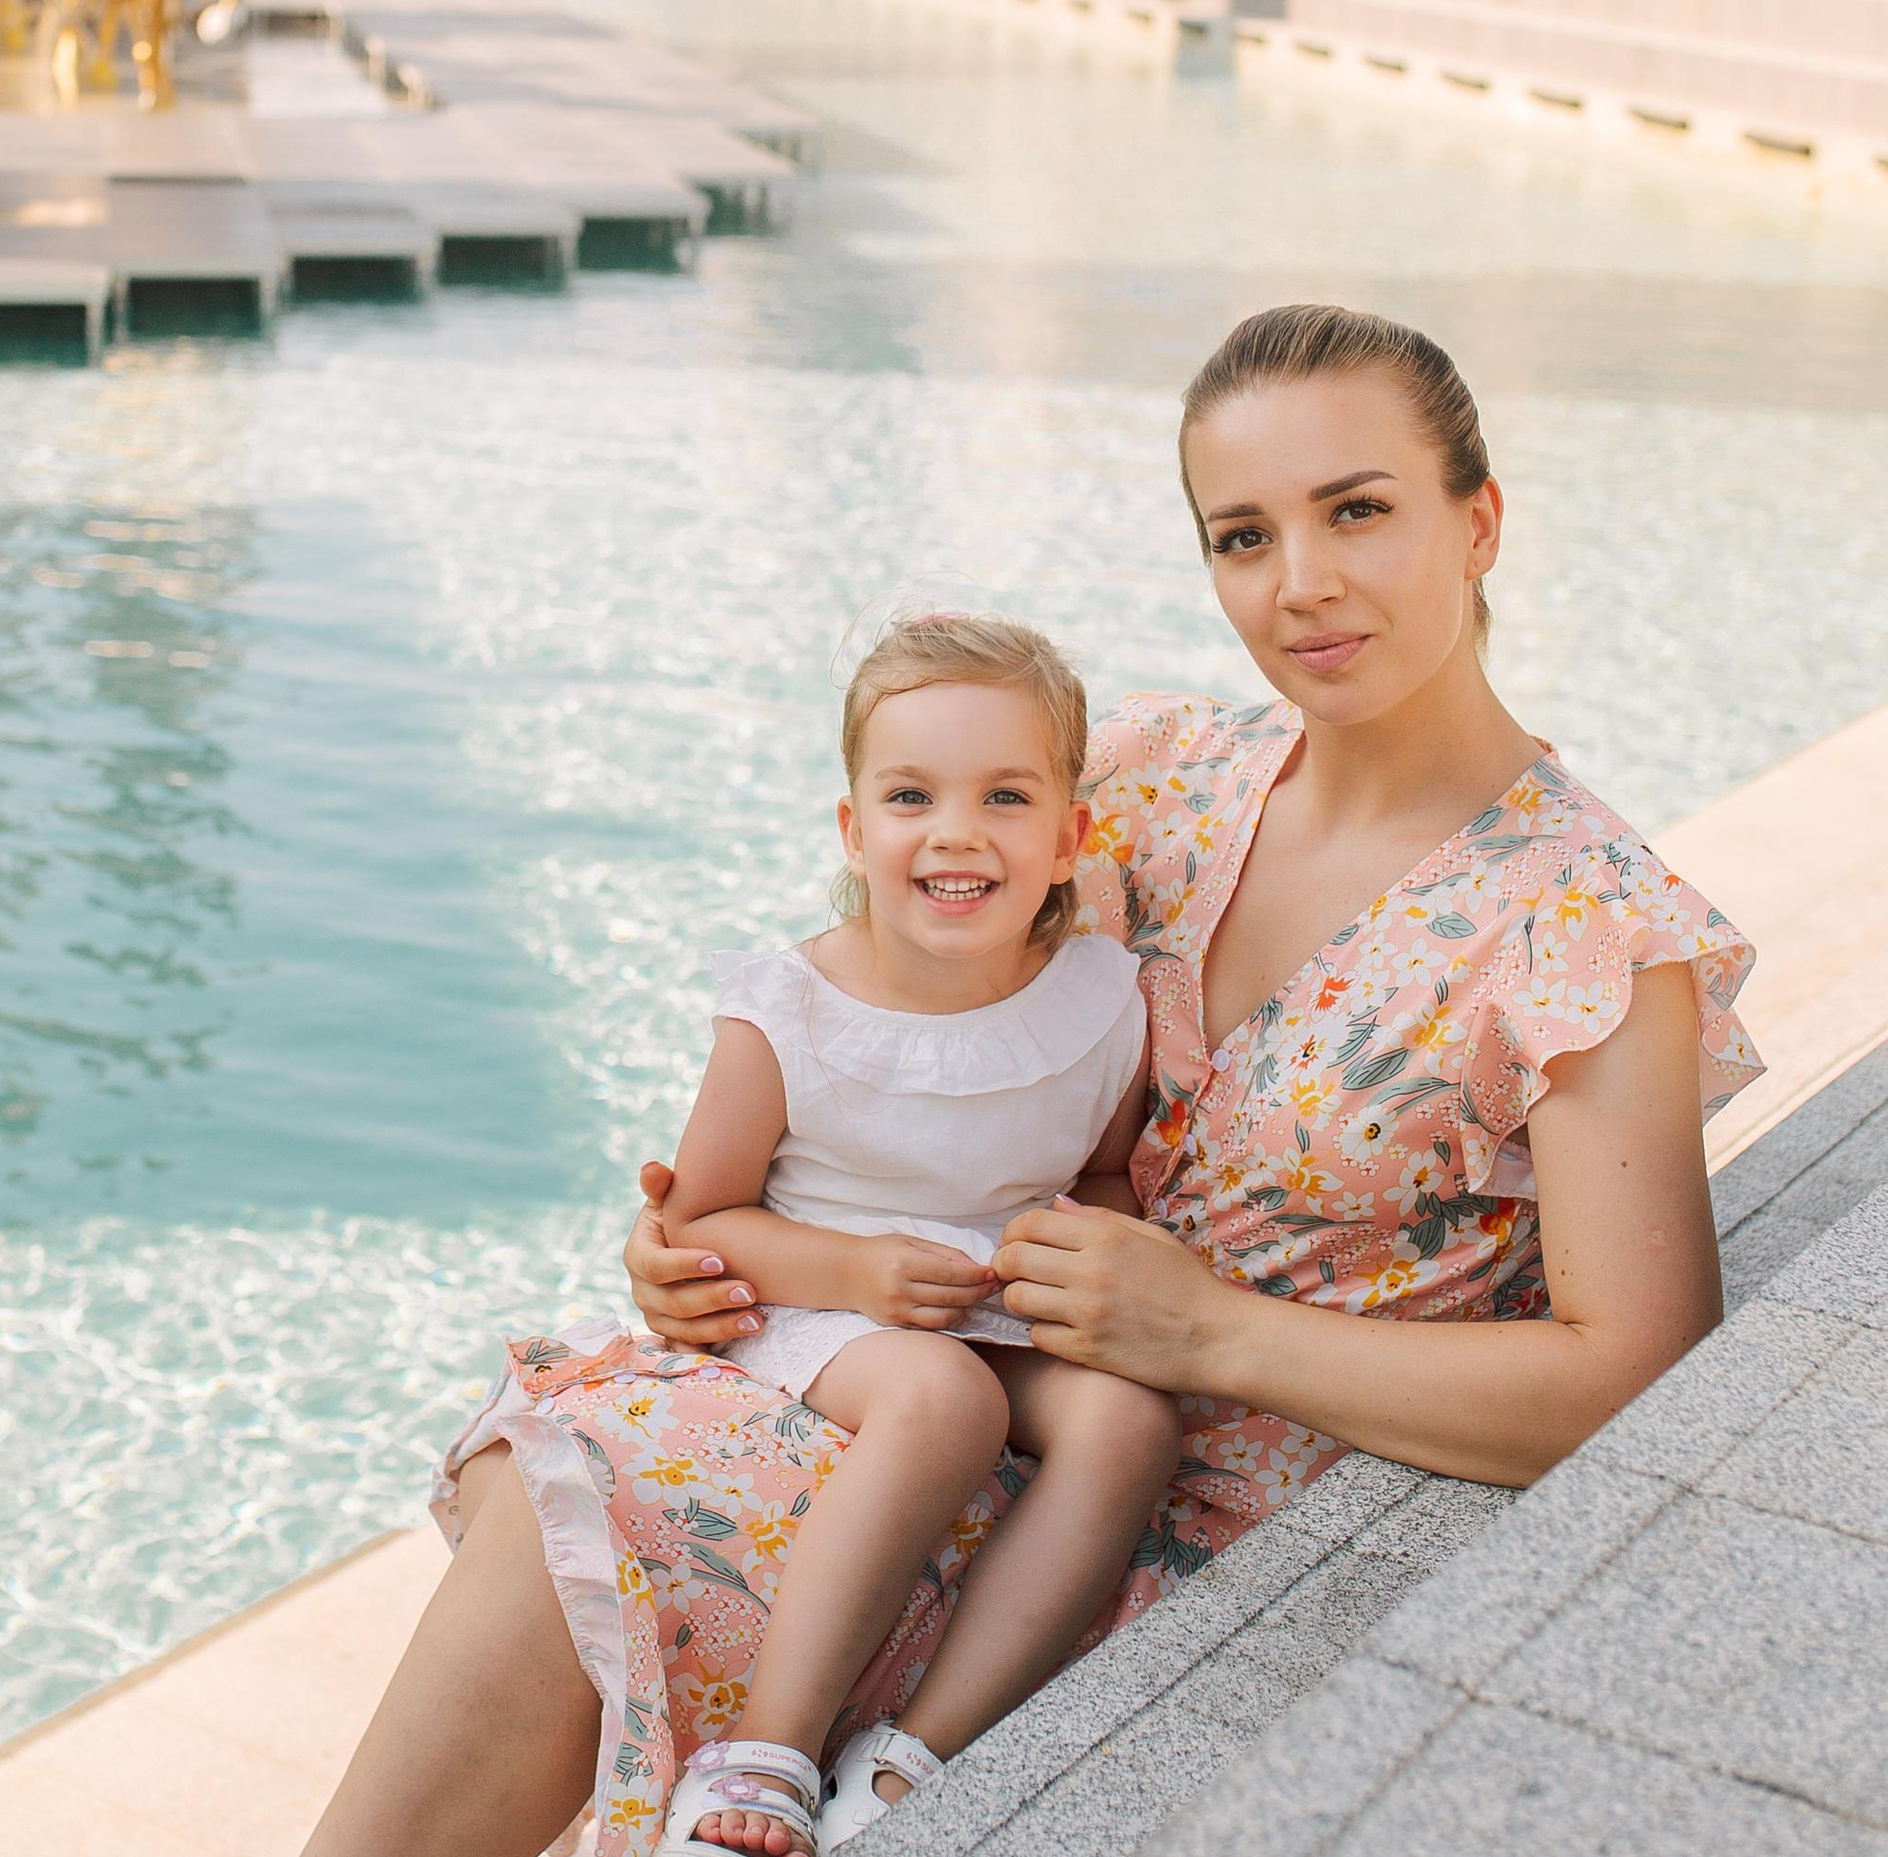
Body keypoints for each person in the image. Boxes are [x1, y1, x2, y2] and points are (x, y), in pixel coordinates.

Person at [301, 305, 1758, 1857]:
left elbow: (1639, 1381)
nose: (1301, 585)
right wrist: (716, 1233)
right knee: (589, 1492)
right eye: (1242, 536)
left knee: (644, 1528)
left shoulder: (1581, 930)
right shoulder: (1148, 779)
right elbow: (879, 1006)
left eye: (1360, 510)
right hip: (970, 1415)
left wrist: (1211, 1330)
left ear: (1477, 522)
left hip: (1204, 1538)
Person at [651, 615, 1177, 1852]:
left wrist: (1076, 1246)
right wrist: (856, 1272)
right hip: (819, 1305)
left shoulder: (1100, 1002)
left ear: (1067, 840)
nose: (954, 831)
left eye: (1004, 794)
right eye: (909, 795)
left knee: (1127, 1421)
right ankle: (763, 1755)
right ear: (853, 830)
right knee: (944, 1401)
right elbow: (700, 1216)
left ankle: (908, 1760)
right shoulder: (789, 1011)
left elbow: (1102, 1177)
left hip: (989, 1301)